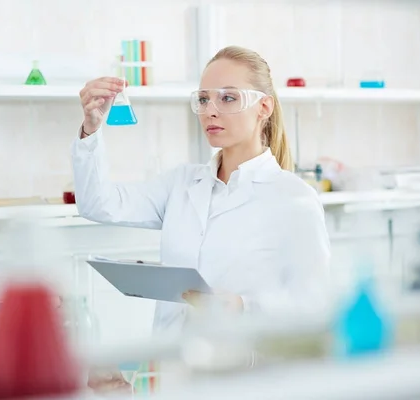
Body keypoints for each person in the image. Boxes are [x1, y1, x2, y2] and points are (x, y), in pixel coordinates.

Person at [72, 45, 331, 335]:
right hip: (172, 369)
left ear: (264, 108)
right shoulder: (181, 183)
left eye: (228, 98)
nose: (211, 111)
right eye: (204, 99)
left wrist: (243, 306)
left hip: (244, 371)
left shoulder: (294, 198)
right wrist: (91, 129)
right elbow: (98, 203)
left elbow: (314, 304)